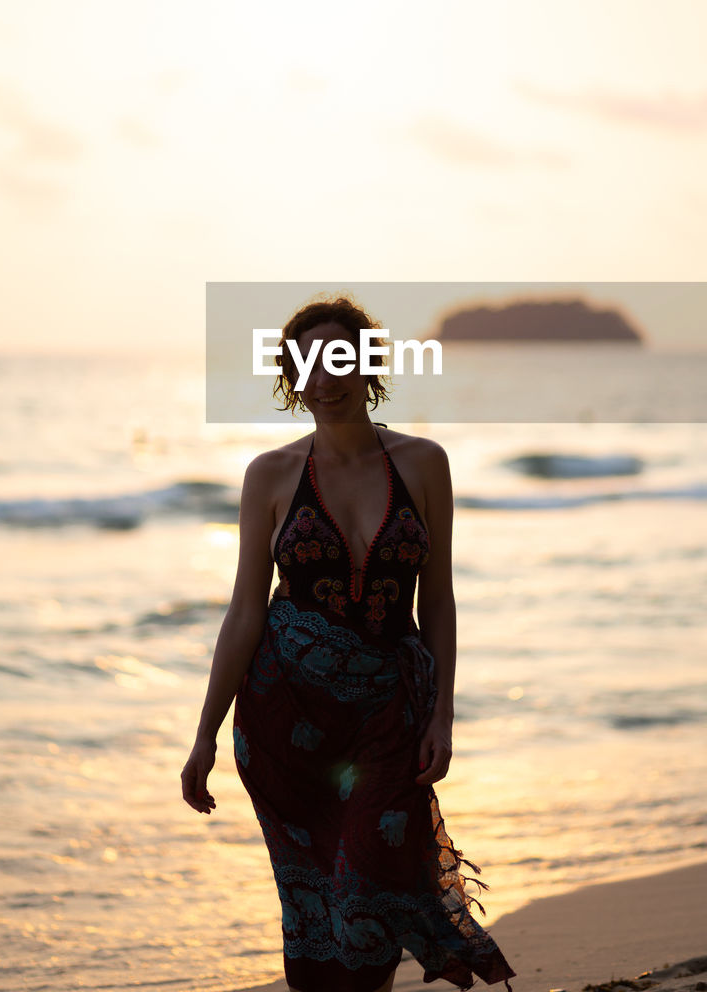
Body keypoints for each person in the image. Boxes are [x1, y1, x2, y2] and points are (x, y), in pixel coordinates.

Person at [181, 297, 515, 992]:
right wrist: (205, 735)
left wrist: (442, 715)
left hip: (388, 713)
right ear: (290, 378)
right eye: (306, 363)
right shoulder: (269, 476)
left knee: (370, 886)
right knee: (311, 905)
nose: (324, 377)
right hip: (284, 720)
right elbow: (244, 610)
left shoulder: (422, 464)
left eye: (339, 358)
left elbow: (438, 597)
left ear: (367, 367)